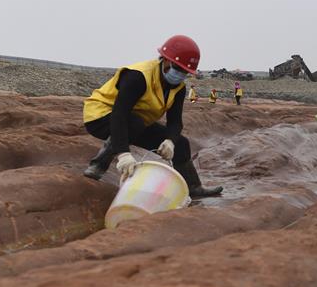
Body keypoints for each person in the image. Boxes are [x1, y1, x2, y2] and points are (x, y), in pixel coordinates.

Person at [81, 35, 223, 198]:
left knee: (181, 143)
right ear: (166, 60)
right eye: (178, 68)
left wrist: (170, 141)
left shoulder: (178, 88)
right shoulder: (138, 76)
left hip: (135, 122)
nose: (180, 74)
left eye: (185, 71)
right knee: (135, 122)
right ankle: (98, 165)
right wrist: (123, 154)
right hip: (100, 116)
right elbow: (120, 114)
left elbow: (175, 121)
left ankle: (194, 188)